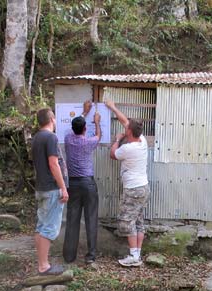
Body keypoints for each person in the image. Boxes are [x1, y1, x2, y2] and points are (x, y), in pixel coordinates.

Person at [106, 99, 149, 267]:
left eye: (126, 128)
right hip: (143, 188)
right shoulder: (142, 140)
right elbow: (125, 121)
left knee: (127, 222)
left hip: (132, 190)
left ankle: (133, 256)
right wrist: (113, 108)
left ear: (129, 131)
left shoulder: (127, 148)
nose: (125, 127)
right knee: (138, 221)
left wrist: (117, 139)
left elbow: (112, 154)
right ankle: (137, 254)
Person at [63, 100, 102, 264]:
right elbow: (99, 136)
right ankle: (91, 255)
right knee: (91, 218)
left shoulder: (67, 139)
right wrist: (98, 122)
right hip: (88, 184)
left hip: (73, 185)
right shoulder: (89, 142)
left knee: (72, 219)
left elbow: (75, 126)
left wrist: (84, 113)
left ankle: (69, 256)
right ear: (85, 129)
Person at [32, 107, 69, 275]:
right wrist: (63, 187)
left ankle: (42, 263)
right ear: (52, 119)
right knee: (48, 228)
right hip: (52, 188)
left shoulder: (36, 138)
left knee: (41, 227)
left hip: (40, 187)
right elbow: (54, 164)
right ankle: (44, 266)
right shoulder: (51, 137)